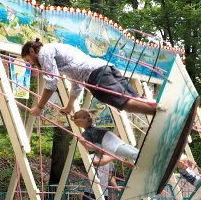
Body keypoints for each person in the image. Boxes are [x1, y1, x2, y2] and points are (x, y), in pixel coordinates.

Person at [21, 39, 165, 117]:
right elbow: (76, 83)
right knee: (134, 99)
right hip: (105, 67)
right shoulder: (60, 50)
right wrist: (70, 106)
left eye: (28, 60)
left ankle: (162, 113)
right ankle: (160, 106)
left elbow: (52, 82)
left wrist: (39, 107)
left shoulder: (44, 53)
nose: (31, 64)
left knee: (125, 103)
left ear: (32, 51)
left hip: (95, 75)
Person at [73, 109, 139, 163]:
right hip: (114, 147)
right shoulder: (86, 133)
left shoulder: (94, 127)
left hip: (119, 143)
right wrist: (83, 142)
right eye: (84, 117)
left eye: (88, 116)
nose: (88, 118)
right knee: (135, 155)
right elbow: (91, 147)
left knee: (138, 153)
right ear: (79, 123)